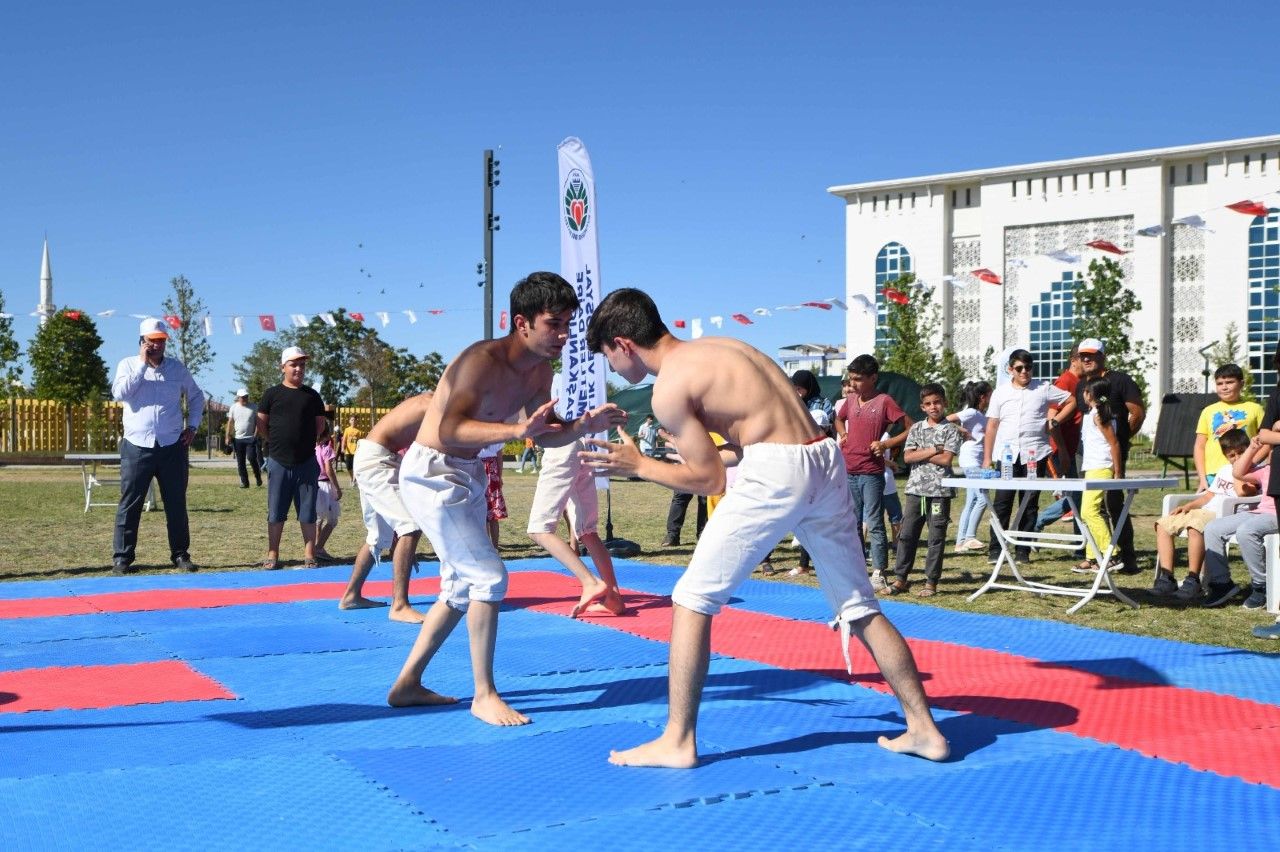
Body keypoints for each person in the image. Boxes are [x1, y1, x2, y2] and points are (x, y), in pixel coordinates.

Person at [582, 287, 948, 768]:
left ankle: (677, 739)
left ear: (623, 343)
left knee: (691, 599)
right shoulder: (725, 347)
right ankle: (924, 729)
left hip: (780, 470)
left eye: (608, 357)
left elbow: (710, 479)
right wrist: (695, 456)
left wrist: (639, 464)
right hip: (823, 459)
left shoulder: (668, 386)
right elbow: (755, 439)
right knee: (859, 606)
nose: (612, 369)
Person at [386, 271, 627, 726]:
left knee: (460, 588)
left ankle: (407, 685)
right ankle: (484, 694)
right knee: (490, 579)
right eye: (554, 323)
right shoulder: (479, 361)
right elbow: (449, 429)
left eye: (568, 324)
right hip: (431, 472)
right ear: (522, 323)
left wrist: (581, 427)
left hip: (469, 473)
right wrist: (518, 431)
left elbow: (547, 435)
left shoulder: (540, 371)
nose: (564, 335)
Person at [109, 317, 205, 574]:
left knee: (176, 502)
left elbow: (196, 397)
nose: (157, 346)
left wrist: (193, 426)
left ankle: (181, 554)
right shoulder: (127, 365)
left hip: (172, 445)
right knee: (131, 502)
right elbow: (119, 394)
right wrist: (141, 364)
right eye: (152, 341)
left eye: (161, 341)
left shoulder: (177, 369)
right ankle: (122, 557)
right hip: (136, 445)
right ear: (142, 341)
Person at [340, 392, 433, 622]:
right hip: (376, 460)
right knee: (409, 526)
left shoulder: (428, 401)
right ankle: (399, 605)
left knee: (378, 535)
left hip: (375, 457)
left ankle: (351, 595)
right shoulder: (431, 405)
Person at [983, 349, 1077, 564]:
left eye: (1028, 367)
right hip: (1007, 455)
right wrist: (987, 457)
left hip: (1034, 453)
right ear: (1010, 370)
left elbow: (1071, 401)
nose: (1024, 372)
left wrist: (1055, 421)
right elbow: (992, 425)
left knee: (1029, 501)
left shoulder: (1043, 388)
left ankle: (1022, 550)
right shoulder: (1000, 392)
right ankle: (996, 549)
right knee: (1002, 502)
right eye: (1019, 368)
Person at [834, 354, 912, 586]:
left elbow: (910, 426)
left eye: (858, 379)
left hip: (871, 471)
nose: (853, 384)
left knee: (875, 521)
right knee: (852, 521)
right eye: (851, 379)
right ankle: (857, 568)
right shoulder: (850, 400)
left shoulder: (884, 401)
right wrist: (843, 433)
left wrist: (886, 444)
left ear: (873, 378)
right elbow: (837, 419)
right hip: (849, 469)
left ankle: (879, 571)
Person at [1151, 427, 1253, 596]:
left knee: (1195, 526)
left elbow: (1245, 492)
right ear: (1226, 456)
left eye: (1241, 453)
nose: (1237, 458)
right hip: (1205, 511)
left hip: (1225, 515)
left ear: (1249, 450)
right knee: (1163, 524)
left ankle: (1193, 579)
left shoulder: (1254, 471)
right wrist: (1190, 505)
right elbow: (1209, 495)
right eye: (1232, 456)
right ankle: (1167, 578)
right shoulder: (1224, 470)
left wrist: (1239, 473)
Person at [883, 383, 961, 597]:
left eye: (937, 402)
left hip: (939, 492)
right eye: (928, 404)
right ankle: (901, 579)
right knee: (907, 535)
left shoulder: (951, 430)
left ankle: (931, 582)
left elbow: (946, 459)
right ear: (922, 407)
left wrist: (923, 452)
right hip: (916, 490)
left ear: (944, 403)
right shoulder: (916, 428)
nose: (933, 407)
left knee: (936, 537)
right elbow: (907, 457)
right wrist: (935, 448)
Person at [1076, 338, 1145, 573]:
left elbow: (1137, 413)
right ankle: (1095, 556)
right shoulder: (1081, 386)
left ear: (1102, 356)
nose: (1086, 359)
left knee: (1113, 506)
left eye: (1091, 355)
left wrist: (1122, 441)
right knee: (1091, 509)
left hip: (1108, 459)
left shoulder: (1120, 380)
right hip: (1089, 459)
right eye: (1082, 355)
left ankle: (1122, 556)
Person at [257, 345, 327, 570]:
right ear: (283, 367)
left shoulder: (312, 396)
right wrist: (275, 445)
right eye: (293, 364)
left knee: (307, 511)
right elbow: (261, 424)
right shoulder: (271, 394)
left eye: (302, 365)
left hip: (307, 461)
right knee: (276, 510)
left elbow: (319, 426)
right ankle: (273, 553)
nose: (298, 369)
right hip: (278, 461)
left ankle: (309, 553)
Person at [1195, 435, 1275, 608]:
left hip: (1276, 515)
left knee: (1246, 531)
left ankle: (1262, 586)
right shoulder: (1267, 469)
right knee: (1213, 528)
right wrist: (1253, 448)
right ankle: (1222, 584)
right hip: (1261, 512)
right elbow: (1237, 472)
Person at [1072, 379, 1122, 573]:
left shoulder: (1100, 416)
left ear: (1090, 394)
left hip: (1101, 467)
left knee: (1090, 512)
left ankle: (1111, 553)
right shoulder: (1092, 415)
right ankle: (1093, 557)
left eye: (1085, 391)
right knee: (1086, 513)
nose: (1083, 395)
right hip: (1092, 466)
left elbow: (1114, 444)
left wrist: (1117, 472)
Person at [1194, 363, 1263, 491]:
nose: (1224, 387)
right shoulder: (1208, 411)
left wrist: (1252, 461)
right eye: (1220, 383)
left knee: (1241, 507)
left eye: (1229, 382)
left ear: (1241, 384)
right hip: (1213, 474)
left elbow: (1265, 442)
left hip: (1245, 473)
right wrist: (1202, 478)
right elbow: (1199, 446)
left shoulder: (1255, 409)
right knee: (1213, 509)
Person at [947, 381, 992, 552]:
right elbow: (946, 419)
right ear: (983, 397)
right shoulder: (971, 412)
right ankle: (970, 537)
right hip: (970, 460)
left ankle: (960, 542)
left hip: (974, 460)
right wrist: (962, 430)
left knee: (972, 500)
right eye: (990, 394)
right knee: (982, 498)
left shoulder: (981, 414)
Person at [313, 418, 342, 562]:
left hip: (315, 485)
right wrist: (336, 487)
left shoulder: (313, 448)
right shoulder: (326, 449)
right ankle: (319, 546)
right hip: (325, 484)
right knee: (332, 520)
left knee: (318, 518)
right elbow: (329, 469)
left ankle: (316, 547)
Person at [226, 389, 263, 488]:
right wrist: (227, 436)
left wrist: (255, 435)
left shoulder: (254, 407)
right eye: (242, 397)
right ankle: (244, 482)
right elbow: (230, 422)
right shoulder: (233, 408)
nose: (245, 398)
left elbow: (258, 422)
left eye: (246, 396)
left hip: (250, 438)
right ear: (238, 397)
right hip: (238, 439)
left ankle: (258, 476)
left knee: (251, 458)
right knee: (240, 462)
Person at [479, 441, 507, 549]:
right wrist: (499, 476)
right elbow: (500, 457)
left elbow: (499, 456)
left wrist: (499, 477)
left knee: (489, 513)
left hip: (483, 470)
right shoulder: (496, 433)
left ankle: (492, 547)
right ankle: (492, 547)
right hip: (490, 470)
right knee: (490, 514)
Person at [341, 416, 364, 486]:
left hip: (356, 451)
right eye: (352, 420)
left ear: (357, 421)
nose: (353, 421)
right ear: (349, 421)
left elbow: (360, 442)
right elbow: (344, 440)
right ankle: (352, 478)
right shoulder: (347, 430)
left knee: (355, 466)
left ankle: (354, 480)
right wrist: (342, 448)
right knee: (348, 466)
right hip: (348, 451)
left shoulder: (359, 432)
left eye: (355, 420)